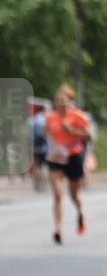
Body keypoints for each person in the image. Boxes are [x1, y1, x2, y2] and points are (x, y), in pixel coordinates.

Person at [44, 84, 91, 245]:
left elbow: (89, 136)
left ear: (70, 101)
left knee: (73, 194)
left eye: (64, 100)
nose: (61, 103)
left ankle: (81, 213)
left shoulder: (78, 115)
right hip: (56, 157)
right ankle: (58, 229)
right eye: (58, 100)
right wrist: (45, 134)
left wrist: (72, 130)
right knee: (57, 194)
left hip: (73, 156)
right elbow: (45, 132)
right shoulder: (50, 117)